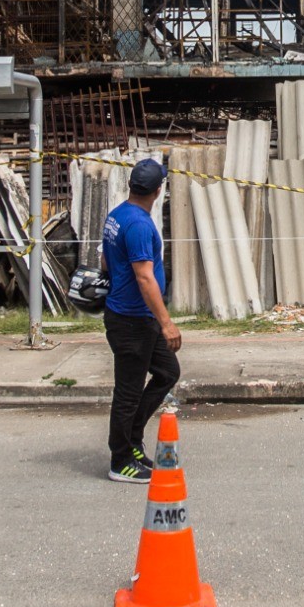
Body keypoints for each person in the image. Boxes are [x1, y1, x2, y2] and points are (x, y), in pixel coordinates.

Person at [98, 158, 183, 483]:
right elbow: (145, 277)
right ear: (158, 190)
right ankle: (120, 461)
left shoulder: (118, 216)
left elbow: (106, 259)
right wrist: (167, 323)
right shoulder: (138, 225)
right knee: (128, 391)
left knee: (167, 372)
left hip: (135, 317)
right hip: (133, 321)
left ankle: (132, 438)